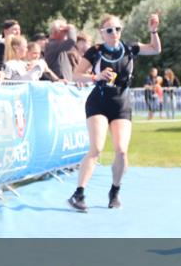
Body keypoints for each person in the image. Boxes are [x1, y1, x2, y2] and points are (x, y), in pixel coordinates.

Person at [68, 13, 161, 212]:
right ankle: (79, 193)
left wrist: (153, 30)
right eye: (109, 30)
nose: (114, 33)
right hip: (99, 102)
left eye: (117, 29)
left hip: (121, 103)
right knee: (96, 148)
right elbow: (76, 75)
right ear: (102, 33)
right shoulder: (96, 51)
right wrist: (96, 77)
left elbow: (155, 49)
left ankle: (115, 191)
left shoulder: (129, 48)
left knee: (122, 150)